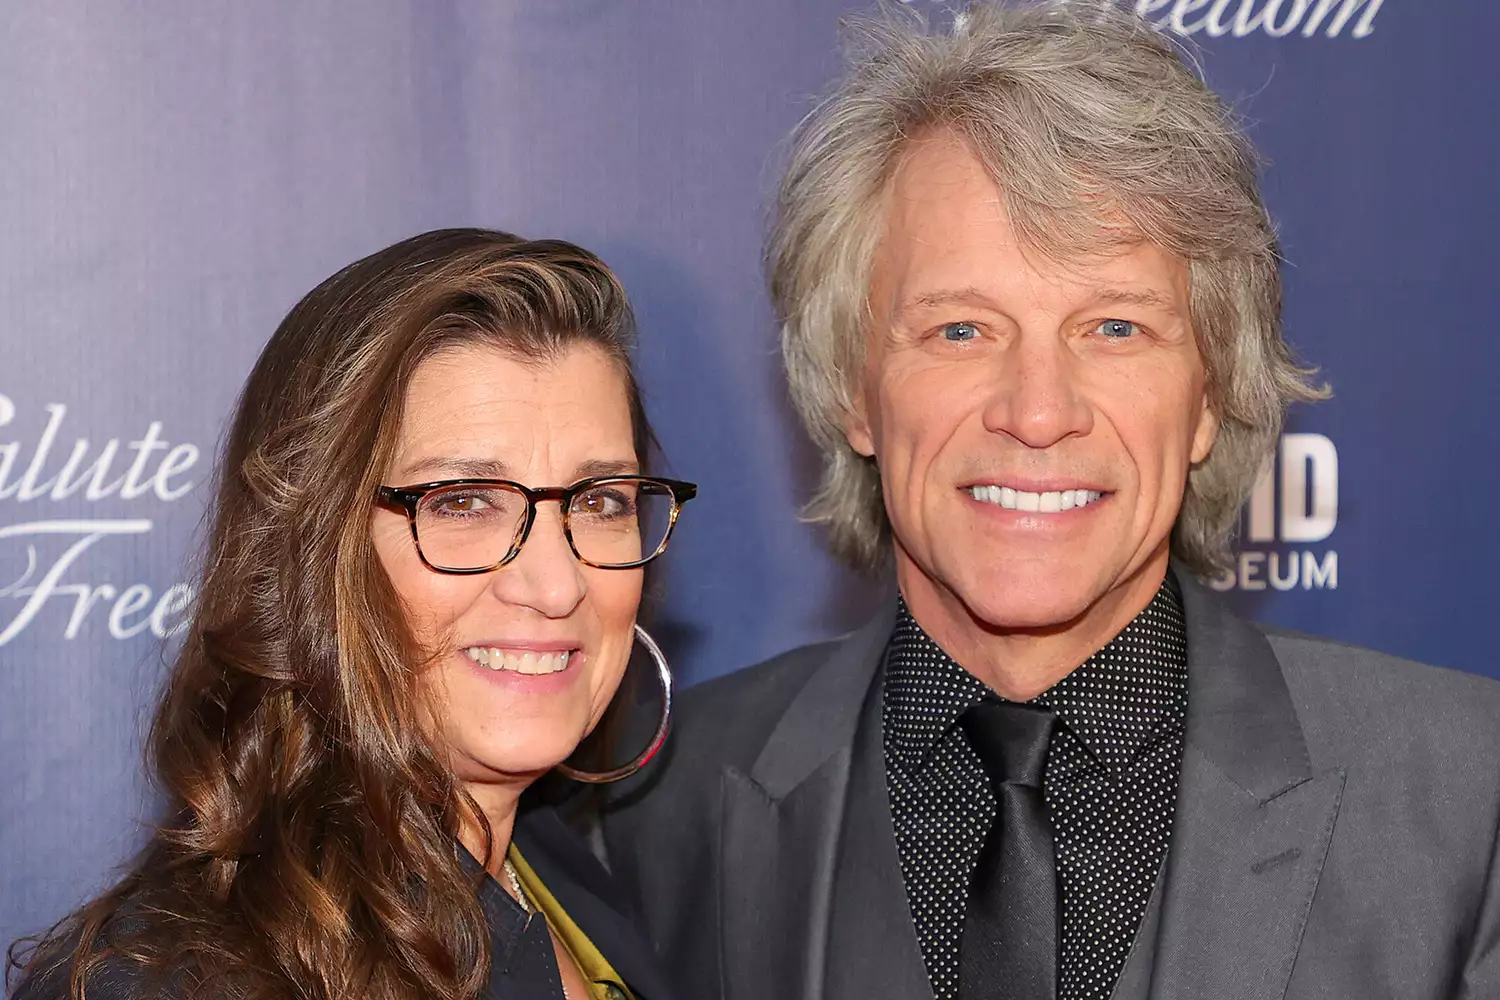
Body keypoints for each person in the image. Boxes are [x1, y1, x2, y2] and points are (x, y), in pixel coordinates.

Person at [605, 4, 1500, 1000]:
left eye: (1114, 328)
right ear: (854, 388)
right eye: (960, 331)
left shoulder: (1470, 797)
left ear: (1208, 395)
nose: (1038, 412)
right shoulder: (654, 810)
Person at [8, 229, 692, 1000]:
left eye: (600, 501)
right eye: (462, 502)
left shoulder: (569, 875)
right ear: (314, 553)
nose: (556, 583)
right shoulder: (169, 981)